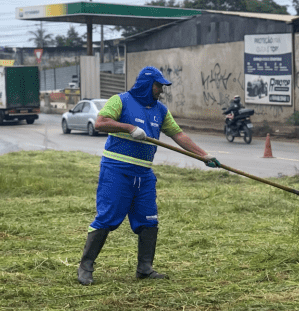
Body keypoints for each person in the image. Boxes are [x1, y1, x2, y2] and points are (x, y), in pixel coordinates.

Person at [77, 66, 221, 286]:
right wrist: (128, 128)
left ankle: (144, 268)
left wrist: (203, 155)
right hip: (117, 170)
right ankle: (85, 267)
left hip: (143, 175)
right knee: (106, 218)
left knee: (149, 220)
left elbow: (178, 135)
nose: (161, 90)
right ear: (146, 84)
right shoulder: (121, 101)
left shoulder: (160, 110)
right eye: (158, 85)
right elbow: (100, 123)